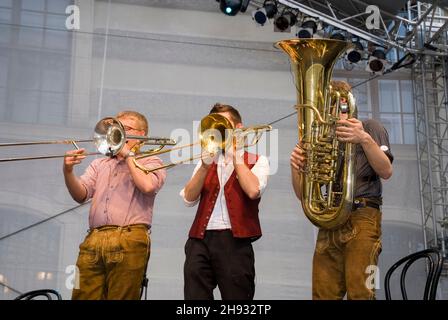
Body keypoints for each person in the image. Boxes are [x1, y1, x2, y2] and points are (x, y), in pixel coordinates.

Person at [290, 81, 394, 300]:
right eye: (325, 106)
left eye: (335, 103)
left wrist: (363, 138)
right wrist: (296, 167)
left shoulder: (370, 127)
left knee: (362, 292)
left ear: (345, 103)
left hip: (363, 215)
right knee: (322, 295)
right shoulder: (322, 138)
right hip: (331, 219)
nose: (331, 110)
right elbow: (303, 195)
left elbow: (386, 171)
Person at [63, 110, 167, 300]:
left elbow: (147, 186)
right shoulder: (100, 164)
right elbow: (81, 194)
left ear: (141, 135)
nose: (119, 133)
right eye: (116, 128)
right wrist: (68, 170)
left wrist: (128, 155)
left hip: (129, 237)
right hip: (93, 239)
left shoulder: (152, 160)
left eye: (125, 129)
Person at [180, 103, 270, 300]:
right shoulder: (206, 161)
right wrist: (204, 167)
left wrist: (236, 157)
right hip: (200, 240)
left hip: (235, 242)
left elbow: (253, 191)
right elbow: (188, 198)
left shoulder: (257, 160)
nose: (219, 131)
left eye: (224, 125)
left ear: (238, 129)